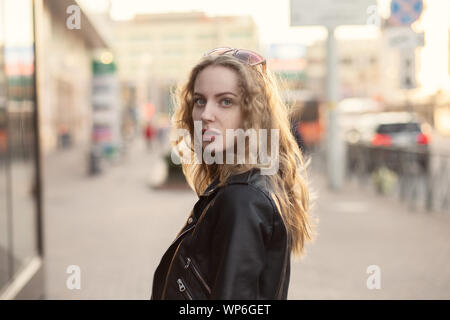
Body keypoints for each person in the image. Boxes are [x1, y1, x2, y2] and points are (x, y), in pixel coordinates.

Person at [151, 47, 316, 300]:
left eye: (226, 101)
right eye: (199, 100)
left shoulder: (242, 200)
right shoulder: (249, 185)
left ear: (252, 112)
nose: (206, 114)